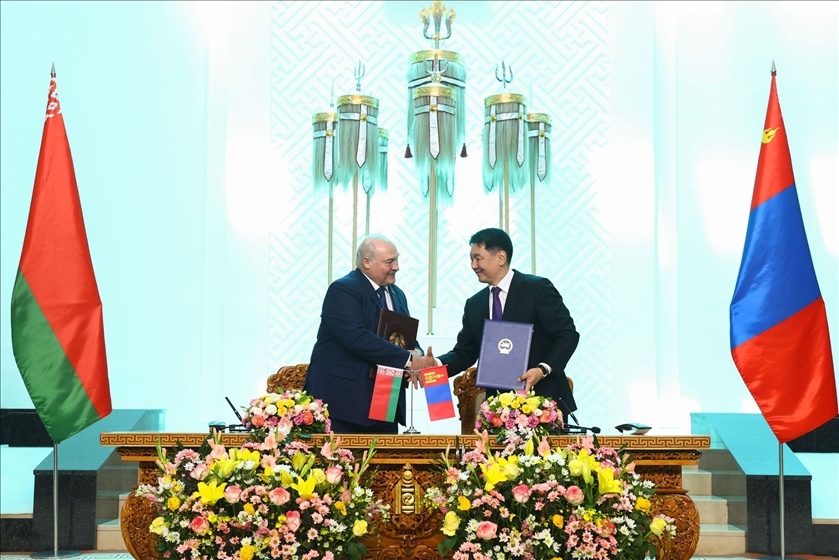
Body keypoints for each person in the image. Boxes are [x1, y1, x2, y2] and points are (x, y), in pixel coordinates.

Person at [428, 227, 580, 417]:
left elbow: (567, 335)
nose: (473, 265)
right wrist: (436, 363)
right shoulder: (474, 304)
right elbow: (465, 352)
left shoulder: (537, 289)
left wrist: (542, 370)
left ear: (501, 257)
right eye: (471, 259)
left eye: (478, 258)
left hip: (544, 403)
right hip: (498, 410)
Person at [304, 234, 433, 434]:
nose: (396, 267)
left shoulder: (397, 294)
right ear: (366, 263)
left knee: (386, 454)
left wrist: (418, 354)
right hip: (346, 403)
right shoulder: (343, 289)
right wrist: (408, 360)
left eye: (397, 260)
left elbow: (405, 336)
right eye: (389, 262)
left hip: (387, 399)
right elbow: (357, 338)